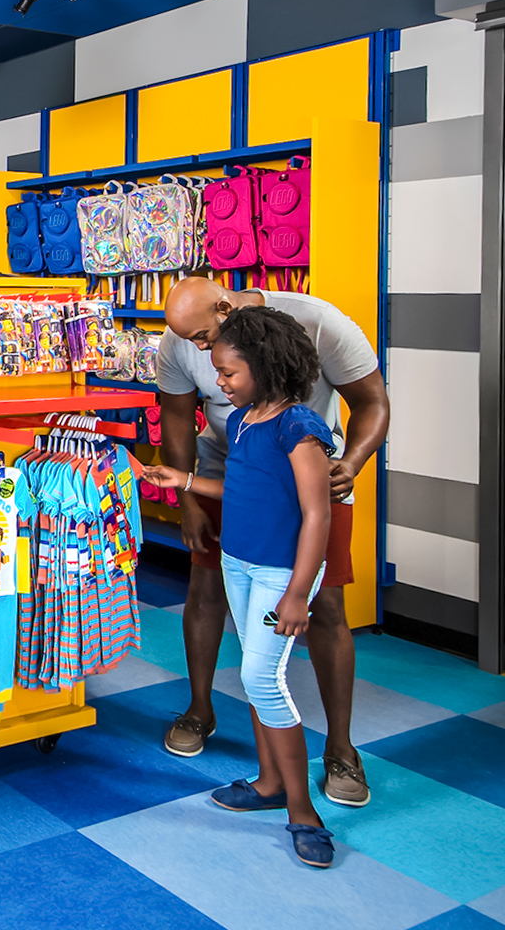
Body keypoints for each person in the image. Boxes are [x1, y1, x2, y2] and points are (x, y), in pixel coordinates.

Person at [157, 276, 388, 808]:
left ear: (225, 308)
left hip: (314, 480)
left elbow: (372, 402)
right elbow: (176, 415)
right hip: (230, 474)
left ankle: (339, 750)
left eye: (203, 339)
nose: (198, 351)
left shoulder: (318, 324)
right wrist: (188, 496)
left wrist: (349, 465)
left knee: (324, 604)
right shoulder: (186, 344)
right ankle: (200, 710)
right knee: (206, 586)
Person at [143, 306, 337, 869]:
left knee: (260, 677)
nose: (219, 383)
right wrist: (183, 480)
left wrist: (299, 592)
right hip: (241, 562)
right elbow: (243, 490)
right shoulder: (247, 419)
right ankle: (270, 782)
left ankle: (303, 812)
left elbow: (316, 515)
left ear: (265, 365)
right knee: (260, 673)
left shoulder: (299, 428)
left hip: (281, 573)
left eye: (228, 373)